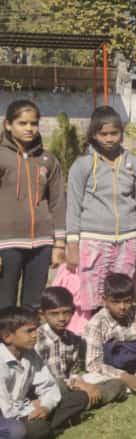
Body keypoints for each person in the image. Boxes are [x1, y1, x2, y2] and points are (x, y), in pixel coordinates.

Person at [64, 106, 136, 333]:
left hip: (128, 239)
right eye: (104, 134)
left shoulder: (133, 164)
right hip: (93, 241)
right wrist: (72, 243)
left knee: (122, 294)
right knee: (93, 295)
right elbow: (72, 205)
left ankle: (121, 341)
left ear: (122, 133)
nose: (110, 139)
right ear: (93, 134)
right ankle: (92, 341)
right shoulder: (82, 165)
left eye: (115, 133)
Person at [0, 100, 65, 311]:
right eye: (22, 123)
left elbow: (57, 202)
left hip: (41, 244)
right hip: (5, 245)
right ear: (8, 125)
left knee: (33, 306)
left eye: (34, 123)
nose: (29, 128)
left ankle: (29, 344)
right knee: (4, 305)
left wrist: (59, 244)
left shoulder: (48, 160)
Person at [0, 306, 88, 438]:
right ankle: (45, 428)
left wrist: (46, 407)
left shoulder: (30, 354)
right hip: (7, 417)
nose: (35, 334)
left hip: (26, 408)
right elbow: (7, 410)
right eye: (29, 331)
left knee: (80, 397)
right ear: (7, 337)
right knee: (28, 429)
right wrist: (31, 410)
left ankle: (44, 428)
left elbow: (48, 386)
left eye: (35, 329)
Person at [36, 288, 126, 409]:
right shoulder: (37, 340)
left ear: (73, 311)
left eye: (66, 312)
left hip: (71, 386)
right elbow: (41, 380)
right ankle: (85, 401)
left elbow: (74, 371)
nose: (62, 318)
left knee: (117, 384)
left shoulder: (73, 339)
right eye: (54, 313)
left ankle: (82, 402)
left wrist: (80, 383)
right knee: (59, 386)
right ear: (42, 315)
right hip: (47, 389)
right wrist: (77, 385)